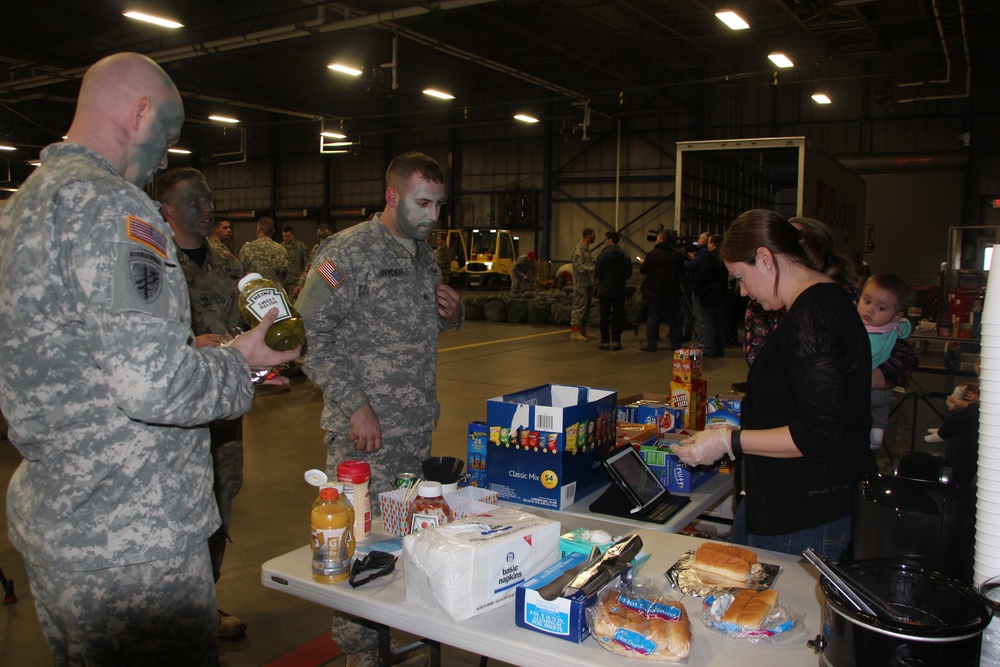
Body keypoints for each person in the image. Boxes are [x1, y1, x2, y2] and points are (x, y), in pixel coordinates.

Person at [0, 52, 300, 666]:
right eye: (164, 138)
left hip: (58, 525)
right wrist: (239, 361)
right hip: (134, 537)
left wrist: (188, 349)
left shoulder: (21, 209)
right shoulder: (115, 208)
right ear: (139, 114)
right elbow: (154, 387)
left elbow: (66, 352)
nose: (163, 159)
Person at [296, 151, 461, 667]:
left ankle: (390, 639)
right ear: (392, 196)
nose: (434, 216)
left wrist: (455, 314)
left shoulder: (422, 253)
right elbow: (309, 337)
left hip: (413, 431)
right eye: (423, 203)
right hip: (364, 437)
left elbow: (417, 326)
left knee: (402, 541)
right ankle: (361, 656)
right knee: (361, 543)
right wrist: (357, 405)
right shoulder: (346, 252)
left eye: (439, 204)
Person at [673, 209, 875, 562]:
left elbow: (820, 432)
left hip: (806, 513)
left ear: (765, 259)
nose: (743, 291)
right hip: (795, 501)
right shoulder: (820, 305)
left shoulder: (815, 316)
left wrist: (728, 440)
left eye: (741, 277)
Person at [156, 167, 254, 641]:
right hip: (172, 419)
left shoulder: (228, 265)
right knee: (176, 513)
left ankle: (206, 603)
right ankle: (171, 610)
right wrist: (192, 346)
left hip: (222, 416)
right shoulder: (153, 264)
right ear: (166, 210)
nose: (206, 208)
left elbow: (249, 332)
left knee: (220, 502)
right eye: (193, 201)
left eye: (208, 199)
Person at [857, 272, 912, 449]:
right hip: (885, 392)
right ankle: (878, 430)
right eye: (866, 301)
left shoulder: (873, 336)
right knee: (880, 411)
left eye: (881, 308)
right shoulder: (894, 328)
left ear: (896, 316)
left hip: (869, 391)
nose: (870, 309)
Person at [926, 359, 980, 486]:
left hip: (971, 435)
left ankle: (943, 433)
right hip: (969, 430)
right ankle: (944, 431)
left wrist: (966, 404)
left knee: (961, 419)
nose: (979, 378)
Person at [639, 228, 686, 352]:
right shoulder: (677, 255)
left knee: (653, 318)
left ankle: (652, 344)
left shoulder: (652, 254)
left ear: (659, 238)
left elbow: (644, 270)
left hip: (654, 291)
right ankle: (675, 344)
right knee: (673, 319)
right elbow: (682, 271)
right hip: (672, 291)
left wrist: (644, 263)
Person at [594, 231, 633, 351]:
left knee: (604, 316)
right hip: (619, 290)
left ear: (610, 240)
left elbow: (597, 273)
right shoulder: (625, 256)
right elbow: (628, 274)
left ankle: (605, 341)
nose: (604, 241)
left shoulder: (602, 256)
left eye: (605, 239)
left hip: (605, 290)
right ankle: (616, 341)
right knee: (618, 316)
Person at [694, 233, 730, 357]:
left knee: (708, 322)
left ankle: (709, 348)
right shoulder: (725, 257)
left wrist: (697, 290)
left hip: (709, 294)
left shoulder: (710, 258)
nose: (708, 245)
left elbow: (702, 276)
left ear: (713, 244)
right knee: (719, 322)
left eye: (709, 242)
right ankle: (719, 348)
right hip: (721, 294)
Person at [239, 216, 288, 286]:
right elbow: (285, 273)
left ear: (258, 230)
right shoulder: (281, 249)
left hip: (254, 292)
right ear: (273, 231)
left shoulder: (247, 248)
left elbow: (241, 272)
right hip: (274, 292)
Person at [684, 231, 711, 348]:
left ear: (704, 241)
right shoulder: (704, 252)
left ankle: (702, 341)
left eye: (700, 238)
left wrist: (682, 261)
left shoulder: (703, 252)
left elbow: (693, 266)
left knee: (699, 316)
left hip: (697, 286)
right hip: (700, 286)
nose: (697, 241)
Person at [570, 227, 596, 341]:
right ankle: (575, 333)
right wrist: (593, 268)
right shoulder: (579, 249)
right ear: (588, 236)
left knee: (586, 308)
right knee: (579, 307)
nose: (594, 238)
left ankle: (583, 330)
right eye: (593, 235)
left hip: (588, 283)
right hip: (581, 284)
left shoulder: (587, 249)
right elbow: (579, 267)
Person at [294, 223, 334, 295]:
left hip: (332, 287)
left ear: (331, 235)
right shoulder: (316, 248)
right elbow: (308, 267)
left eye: (324, 237)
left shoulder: (336, 248)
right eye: (319, 237)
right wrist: (300, 284)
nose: (321, 240)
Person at [282, 225, 310, 296]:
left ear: (293, 235)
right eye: (284, 236)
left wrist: (301, 282)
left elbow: (306, 265)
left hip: (295, 282)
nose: (286, 238)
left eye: (288, 236)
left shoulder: (300, 247)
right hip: (283, 282)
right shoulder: (280, 248)